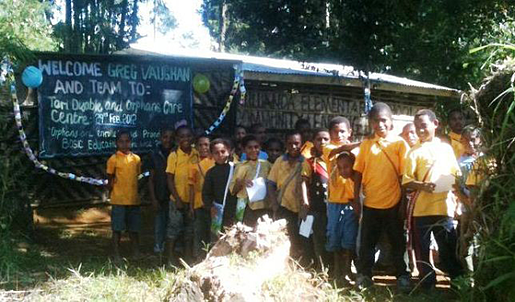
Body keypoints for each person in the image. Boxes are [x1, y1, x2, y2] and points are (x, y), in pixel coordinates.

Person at [402, 109, 464, 290]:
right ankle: (427, 284)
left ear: (435, 124)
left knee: (448, 248)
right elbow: (406, 181)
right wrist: (422, 185)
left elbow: (456, 175)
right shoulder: (414, 152)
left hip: (444, 208)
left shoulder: (446, 149)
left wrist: (458, 194)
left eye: (424, 126)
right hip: (421, 210)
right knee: (421, 250)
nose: (420, 131)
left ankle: (457, 283)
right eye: (417, 127)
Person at [353, 102, 411, 291]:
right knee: (367, 244)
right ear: (370, 122)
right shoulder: (366, 145)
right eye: (376, 121)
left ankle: (402, 275)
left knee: (397, 242)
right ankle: (364, 276)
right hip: (370, 203)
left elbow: (404, 176)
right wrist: (356, 199)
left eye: (384, 120)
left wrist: (403, 203)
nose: (380, 124)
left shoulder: (399, 144)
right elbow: (359, 173)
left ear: (391, 121)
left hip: (394, 203)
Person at [268, 131, 305, 261]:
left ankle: (299, 263)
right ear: (286, 145)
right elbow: (271, 183)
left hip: (301, 208)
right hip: (283, 205)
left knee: (300, 237)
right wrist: (274, 204)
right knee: (284, 236)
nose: (294, 146)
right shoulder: (280, 161)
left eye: (297, 143)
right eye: (290, 144)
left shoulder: (305, 161)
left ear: (302, 144)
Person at [106, 131, 142, 262]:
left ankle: (136, 252)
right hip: (119, 200)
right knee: (117, 229)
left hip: (133, 200)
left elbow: (137, 176)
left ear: (131, 142)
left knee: (134, 229)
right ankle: (116, 254)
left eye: (127, 141)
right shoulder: (113, 159)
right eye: (121, 141)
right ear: (116, 143)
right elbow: (110, 179)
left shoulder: (136, 159)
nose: (124, 144)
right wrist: (111, 191)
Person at [166, 125, 199, 264]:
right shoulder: (174, 155)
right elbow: (169, 178)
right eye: (182, 137)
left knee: (189, 229)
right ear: (177, 139)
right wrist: (177, 199)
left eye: (188, 136)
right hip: (177, 199)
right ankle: (169, 258)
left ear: (192, 138)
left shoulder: (196, 154)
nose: (185, 139)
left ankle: (187, 257)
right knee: (174, 228)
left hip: (192, 200)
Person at [326, 152, 359, 287]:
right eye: (339, 168)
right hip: (334, 206)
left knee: (349, 241)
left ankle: (346, 270)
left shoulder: (357, 177)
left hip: (350, 207)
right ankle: (337, 271)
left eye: (346, 167)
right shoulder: (334, 174)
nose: (343, 170)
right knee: (334, 238)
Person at [300, 129, 330, 271]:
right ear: (313, 141)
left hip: (333, 206)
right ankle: (320, 268)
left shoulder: (335, 160)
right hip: (316, 206)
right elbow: (304, 183)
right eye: (319, 139)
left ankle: (333, 268)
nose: (322, 142)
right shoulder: (310, 162)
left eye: (326, 139)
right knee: (317, 237)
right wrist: (305, 202)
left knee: (332, 238)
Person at [230, 135, 273, 228]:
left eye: (256, 147)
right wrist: (241, 182)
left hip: (264, 206)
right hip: (246, 207)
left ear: (260, 148)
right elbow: (233, 191)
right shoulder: (240, 166)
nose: (253, 150)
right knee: (246, 235)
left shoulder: (267, 165)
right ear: (244, 149)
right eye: (250, 148)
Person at [203, 138, 238, 238]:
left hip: (233, 208)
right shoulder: (211, 173)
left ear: (229, 151)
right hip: (218, 209)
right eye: (216, 153)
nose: (220, 155)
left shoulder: (236, 168)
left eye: (223, 151)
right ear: (211, 155)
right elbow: (206, 193)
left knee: (233, 236)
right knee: (217, 237)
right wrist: (210, 206)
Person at [148, 128, 174, 255]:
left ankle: (172, 246)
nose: (168, 140)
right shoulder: (154, 154)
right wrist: (153, 198)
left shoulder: (177, 153)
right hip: (160, 193)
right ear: (160, 138)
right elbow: (151, 179)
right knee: (160, 221)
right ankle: (158, 245)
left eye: (170, 137)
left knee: (173, 222)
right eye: (165, 137)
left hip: (175, 194)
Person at [189, 135, 215, 261]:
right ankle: (199, 258)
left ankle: (213, 257)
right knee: (200, 231)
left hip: (215, 204)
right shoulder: (194, 166)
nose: (204, 147)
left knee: (213, 231)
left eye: (206, 144)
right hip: (199, 204)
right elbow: (192, 187)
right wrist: (191, 206)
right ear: (196, 147)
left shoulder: (217, 161)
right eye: (201, 145)